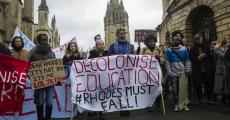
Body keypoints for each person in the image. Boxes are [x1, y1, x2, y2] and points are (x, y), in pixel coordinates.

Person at [28, 34, 55, 120]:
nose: (45, 41)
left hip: (50, 81)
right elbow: (27, 63)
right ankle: (40, 118)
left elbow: (55, 64)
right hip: (38, 81)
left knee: (50, 102)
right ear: (39, 41)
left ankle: (48, 118)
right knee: (39, 102)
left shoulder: (51, 51)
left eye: (46, 39)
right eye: (43, 40)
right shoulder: (33, 51)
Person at [107, 28, 134, 116]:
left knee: (126, 88)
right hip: (117, 70)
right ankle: (122, 108)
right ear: (117, 35)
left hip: (127, 70)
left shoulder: (130, 46)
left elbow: (134, 56)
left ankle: (127, 107)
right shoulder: (112, 45)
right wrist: (117, 57)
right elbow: (108, 56)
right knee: (119, 89)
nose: (123, 35)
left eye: (124, 33)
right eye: (121, 34)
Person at [165, 30, 191, 111]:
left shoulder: (184, 49)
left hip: (183, 72)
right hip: (174, 74)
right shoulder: (168, 50)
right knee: (175, 91)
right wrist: (170, 73)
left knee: (183, 89)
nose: (177, 38)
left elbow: (187, 60)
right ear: (172, 38)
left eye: (179, 37)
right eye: (176, 36)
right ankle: (176, 104)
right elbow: (167, 62)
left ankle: (183, 105)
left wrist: (187, 70)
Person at [140, 35, 164, 112]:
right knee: (149, 89)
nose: (152, 42)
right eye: (150, 41)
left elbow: (164, 61)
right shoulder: (143, 50)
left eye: (153, 40)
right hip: (147, 73)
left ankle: (158, 105)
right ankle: (149, 104)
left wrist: (159, 58)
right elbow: (140, 60)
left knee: (158, 89)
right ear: (147, 42)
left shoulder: (159, 50)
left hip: (157, 72)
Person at [190, 33, 213, 104]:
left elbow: (210, 57)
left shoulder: (206, 47)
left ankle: (209, 99)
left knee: (208, 84)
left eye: (200, 39)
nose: (199, 41)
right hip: (197, 70)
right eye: (197, 40)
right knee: (198, 85)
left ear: (202, 39)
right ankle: (199, 98)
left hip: (206, 69)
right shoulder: (193, 48)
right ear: (195, 40)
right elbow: (191, 59)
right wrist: (198, 58)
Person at [87, 40, 107, 120]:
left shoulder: (107, 53)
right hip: (94, 78)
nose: (101, 45)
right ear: (96, 46)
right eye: (99, 44)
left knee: (102, 94)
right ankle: (92, 111)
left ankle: (101, 111)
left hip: (103, 78)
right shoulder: (92, 54)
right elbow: (87, 63)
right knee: (93, 94)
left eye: (102, 44)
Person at [214, 35, 230, 107]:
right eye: (226, 38)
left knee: (227, 84)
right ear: (223, 39)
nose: (227, 39)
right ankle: (224, 101)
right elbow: (223, 56)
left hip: (227, 67)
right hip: (221, 68)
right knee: (222, 85)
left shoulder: (227, 47)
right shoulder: (217, 48)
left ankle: (227, 100)